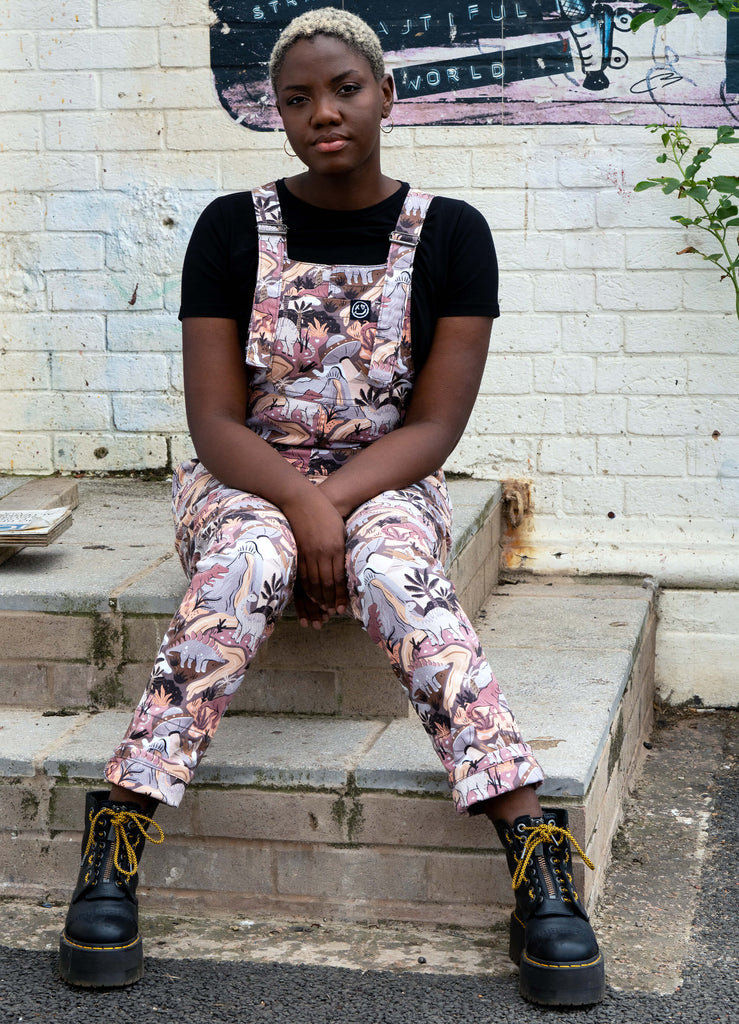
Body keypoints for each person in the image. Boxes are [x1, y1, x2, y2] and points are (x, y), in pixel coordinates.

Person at [58, 7, 605, 1007]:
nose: (324, 113)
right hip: (244, 479)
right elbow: (216, 420)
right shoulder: (232, 228)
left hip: (388, 476)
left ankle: (533, 848)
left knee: (393, 568)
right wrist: (298, 506)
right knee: (250, 564)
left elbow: (436, 426)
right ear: (277, 112)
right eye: (298, 98)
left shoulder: (450, 234)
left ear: (387, 94)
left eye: (344, 88)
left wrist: (331, 507)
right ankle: (119, 829)